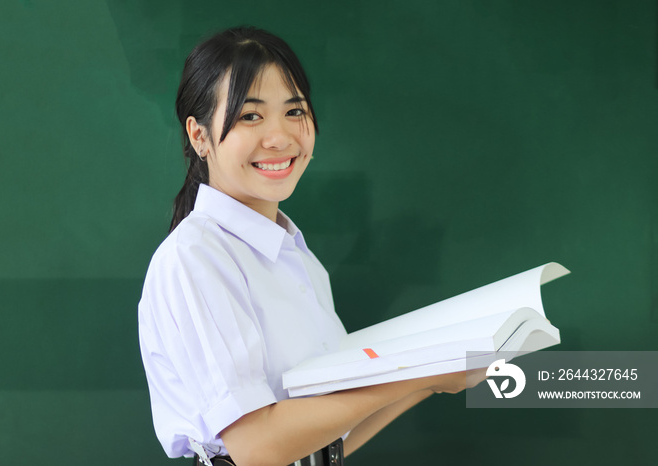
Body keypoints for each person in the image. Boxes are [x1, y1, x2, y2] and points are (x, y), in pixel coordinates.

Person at [139, 26, 478, 466]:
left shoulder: (297, 258)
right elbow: (257, 448)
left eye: (294, 111)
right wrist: (410, 376)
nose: (280, 137)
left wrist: (430, 378)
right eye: (250, 116)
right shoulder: (195, 258)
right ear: (199, 136)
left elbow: (328, 437)